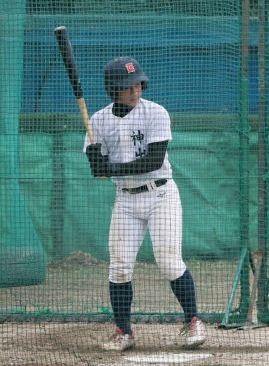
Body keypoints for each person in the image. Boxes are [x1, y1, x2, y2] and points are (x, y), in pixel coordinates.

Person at [84, 57, 207, 351]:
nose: (134, 90)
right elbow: (97, 168)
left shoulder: (155, 113)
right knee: (119, 266)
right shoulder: (98, 120)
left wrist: (110, 168)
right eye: (127, 86)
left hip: (160, 194)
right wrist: (95, 161)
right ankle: (123, 332)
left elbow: (153, 161)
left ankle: (193, 321)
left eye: (138, 83)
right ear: (113, 89)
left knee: (168, 260)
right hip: (126, 200)